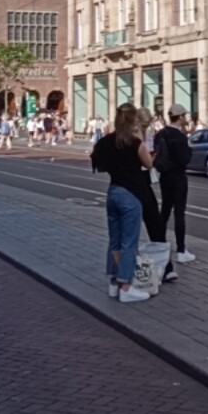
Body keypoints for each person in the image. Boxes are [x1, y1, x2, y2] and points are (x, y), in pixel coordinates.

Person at [90, 104, 153, 304]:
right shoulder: (135, 143)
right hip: (131, 194)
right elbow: (148, 163)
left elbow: (96, 158)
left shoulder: (107, 141)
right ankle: (125, 286)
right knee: (129, 242)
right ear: (134, 120)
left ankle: (113, 282)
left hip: (113, 191)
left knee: (114, 240)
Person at [153, 104, 195, 263]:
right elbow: (185, 159)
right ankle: (181, 250)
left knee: (164, 211)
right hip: (178, 176)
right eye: (185, 115)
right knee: (179, 213)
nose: (186, 118)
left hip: (164, 176)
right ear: (180, 117)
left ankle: (160, 244)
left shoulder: (160, 134)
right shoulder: (180, 137)